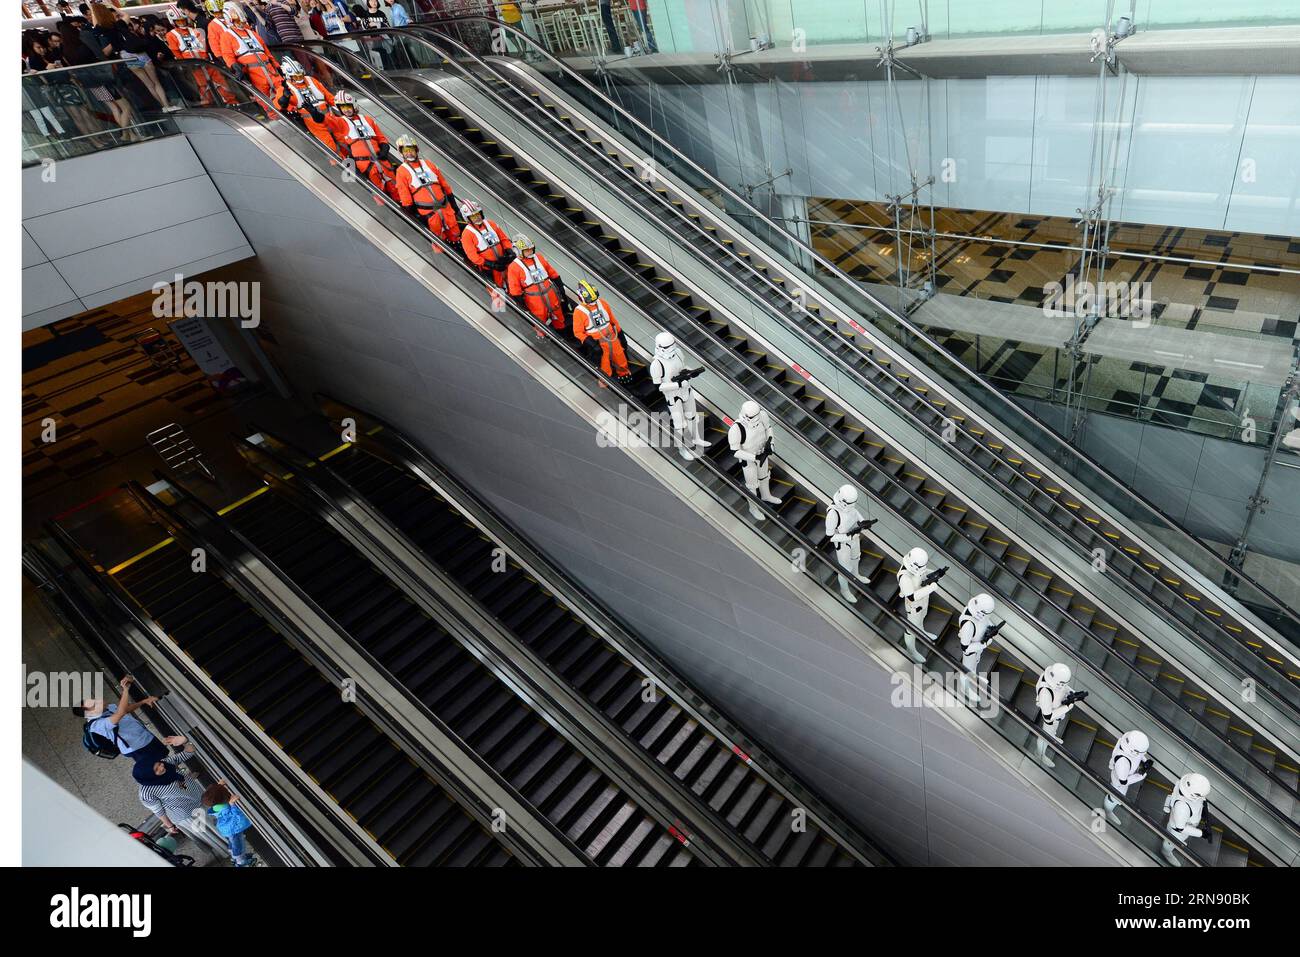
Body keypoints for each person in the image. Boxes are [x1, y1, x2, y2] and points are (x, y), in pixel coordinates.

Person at [133, 736, 223, 858]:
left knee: (220, 823)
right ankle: (231, 851)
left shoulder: (167, 763)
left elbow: (189, 752)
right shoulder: (146, 792)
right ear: (148, 775)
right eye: (156, 769)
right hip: (187, 814)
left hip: (200, 798)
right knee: (212, 832)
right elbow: (158, 811)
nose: (162, 767)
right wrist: (170, 826)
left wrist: (185, 741)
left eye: (159, 763)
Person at [73, 675, 184, 765]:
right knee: (159, 765)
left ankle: (178, 773)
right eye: (94, 704)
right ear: (90, 713)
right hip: (137, 747)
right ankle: (179, 781)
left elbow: (125, 709)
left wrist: (143, 702)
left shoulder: (107, 708)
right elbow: (120, 713)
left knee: (164, 756)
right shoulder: (96, 725)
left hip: (144, 736)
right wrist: (125, 690)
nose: (98, 700)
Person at [89, 3, 178, 111]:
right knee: (155, 82)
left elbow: (94, 25)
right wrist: (111, 5)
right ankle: (167, 105)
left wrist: (93, 10)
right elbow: (126, 14)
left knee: (148, 84)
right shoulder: (120, 24)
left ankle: (164, 107)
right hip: (139, 53)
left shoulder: (103, 29)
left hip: (127, 56)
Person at [648, 332, 709, 460]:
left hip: (686, 391)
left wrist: (690, 373)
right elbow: (658, 386)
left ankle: (696, 438)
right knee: (679, 424)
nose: (671, 350)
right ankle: (682, 448)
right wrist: (677, 385)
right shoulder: (657, 364)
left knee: (692, 417)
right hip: (673, 396)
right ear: (659, 347)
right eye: (667, 347)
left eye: (672, 346)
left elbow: (683, 367)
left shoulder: (678, 353)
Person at [326, 91, 399, 195]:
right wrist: (317, 114)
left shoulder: (368, 120)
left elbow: (381, 138)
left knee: (396, 187)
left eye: (348, 106)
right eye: (342, 107)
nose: (346, 110)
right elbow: (327, 121)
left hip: (381, 160)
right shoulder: (341, 122)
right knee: (379, 193)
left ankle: (403, 205)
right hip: (365, 165)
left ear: (354, 105)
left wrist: (384, 148)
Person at [210, 2, 281, 100]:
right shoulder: (226, 36)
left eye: (242, 22)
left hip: (270, 70)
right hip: (253, 73)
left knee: (284, 93)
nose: (241, 24)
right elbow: (227, 55)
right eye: (238, 22)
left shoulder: (252, 33)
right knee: (264, 101)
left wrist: (276, 65)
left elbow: (265, 50)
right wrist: (234, 66)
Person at [166, 8, 236, 106]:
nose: (181, 23)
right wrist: (187, 65)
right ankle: (210, 107)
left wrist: (206, 59)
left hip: (205, 62)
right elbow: (176, 52)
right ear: (173, 21)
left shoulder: (194, 30)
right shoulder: (171, 35)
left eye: (183, 20)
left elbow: (203, 46)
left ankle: (232, 103)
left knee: (221, 82)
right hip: (192, 67)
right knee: (203, 87)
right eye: (178, 21)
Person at [393, 134, 458, 240]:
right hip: (428, 214)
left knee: (455, 234)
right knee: (438, 240)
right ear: (401, 153)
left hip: (446, 208)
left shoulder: (428, 164)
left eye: (411, 150)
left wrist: (453, 203)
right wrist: (411, 213)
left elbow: (444, 184)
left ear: (416, 150)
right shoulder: (401, 171)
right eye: (406, 151)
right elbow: (404, 195)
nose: (409, 153)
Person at [728, 400, 781, 521]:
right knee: (752, 485)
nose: (755, 419)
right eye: (752, 417)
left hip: (762, 453)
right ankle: (753, 507)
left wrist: (771, 443)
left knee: (764, 476)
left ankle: (766, 495)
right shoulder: (736, 428)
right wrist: (754, 458)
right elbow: (735, 451)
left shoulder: (762, 416)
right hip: (749, 458)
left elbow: (768, 429)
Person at [571, 281, 632, 384]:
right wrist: (592, 344)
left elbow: (612, 320)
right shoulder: (579, 311)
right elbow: (578, 332)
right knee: (604, 366)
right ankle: (606, 384)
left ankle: (624, 376)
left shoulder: (602, 303)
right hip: (598, 343)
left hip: (612, 337)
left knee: (621, 359)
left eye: (595, 299)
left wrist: (620, 334)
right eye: (591, 300)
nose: (593, 302)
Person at [825, 484, 876, 604]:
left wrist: (863, 522)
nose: (852, 506)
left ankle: (856, 575)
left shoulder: (850, 506)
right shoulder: (833, 514)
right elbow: (830, 537)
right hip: (843, 544)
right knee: (844, 569)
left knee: (856, 558)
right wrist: (847, 536)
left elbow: (855, 512)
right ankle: (844, 590)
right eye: (849, 504)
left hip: (854, 538)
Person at [276, 57, 339, 153]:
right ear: (289, 76)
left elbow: (329, 97)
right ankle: (338, 165)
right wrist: (285, 98)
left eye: (301, 75)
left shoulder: (311, 80)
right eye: (296, 77)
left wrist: (340, 107)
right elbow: (279, 105)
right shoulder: (285, 88)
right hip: (312, 121)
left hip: (330, 116)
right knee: (331, 148)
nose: (300, 78)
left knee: (344, 140)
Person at [507, 235, 567, 334]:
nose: (530, 252)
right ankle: (543, 339)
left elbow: (553, 274)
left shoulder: (539, 257)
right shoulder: (513, 267)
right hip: (534, 302)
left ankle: (563, 334)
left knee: (559, 317)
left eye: (531, 249)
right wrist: (523, 306)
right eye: (527, 250)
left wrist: (561, 290)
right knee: (540, 322)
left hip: (551, 295)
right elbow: (515, 290)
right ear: (517, 251)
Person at [895, 547, 945, 663]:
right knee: (911, 629)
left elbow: (922, 575)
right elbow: (911, 597)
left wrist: (936, 574)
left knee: (922, 618)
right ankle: (911, 650)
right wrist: (931, 588)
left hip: (923, 601)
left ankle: (922, 632)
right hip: (914, 606)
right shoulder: (904, 577)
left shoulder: (917, 568)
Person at [1033, 663, 1087, 768]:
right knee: (1045, 737)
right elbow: (1047, 716)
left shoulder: (1052, 677)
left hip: (1057, 710)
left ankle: (1052, 735)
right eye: (1063, 683)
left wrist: (1072, 693)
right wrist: (1067, 707)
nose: (1064, 685)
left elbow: (1063, 688)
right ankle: (1039, 754)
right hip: (1052, 717)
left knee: (1053, 729)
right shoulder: (1045, 693)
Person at [202, 780, 259, 867]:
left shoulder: (216, 804)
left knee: (233, 843)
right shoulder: (225, 807)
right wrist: (232, 804)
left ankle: (234, 858)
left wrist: (219, 786)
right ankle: (241, 862)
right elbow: (234, 814)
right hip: (233, 829)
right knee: (239, 845)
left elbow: (216, 796)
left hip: (226, 828)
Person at [459, 199, 515, 287]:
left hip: (504, 260)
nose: (477, 217)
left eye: (478, 214)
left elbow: (504, 239)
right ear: (468, 218)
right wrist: (490, 264)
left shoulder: (491, 223)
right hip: (489, 268)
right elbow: (472, 256)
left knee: (512, 284)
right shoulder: (467, 234)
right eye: (473, 216)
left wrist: (509, 250)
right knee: (497, 288)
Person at [956, 593, 999, 702]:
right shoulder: (968, 625)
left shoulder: (979, 613)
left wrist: (992, 627)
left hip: (978, 647)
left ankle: (974, 677)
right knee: (966, 670)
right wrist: (984, 644)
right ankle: (965, 689)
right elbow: (965, 648)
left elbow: (985, 621)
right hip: (971, 652)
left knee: (975, 664)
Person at [1104, 730, 1152, 826]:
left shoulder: (1129, 745)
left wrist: (1144, 760)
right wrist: (1139, 776)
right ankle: (1107, 810)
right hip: (1119, 782)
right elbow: (1123, 781)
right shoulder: (1123, 764)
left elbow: (1138, 756)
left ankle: (1114, 802)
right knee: (1115, 797)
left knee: (1120, 794)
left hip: (1123, 776)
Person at [1162, 772, 1210, 866]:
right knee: (1173, 840)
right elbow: (1180, 828)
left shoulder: (1183, 784)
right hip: (1180, 830)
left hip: (1176, 819)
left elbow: (1172, 795)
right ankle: (1166, 851)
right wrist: (1202, 833)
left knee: (1169, 831)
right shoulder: (1182, 808)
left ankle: (1169, 839)